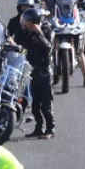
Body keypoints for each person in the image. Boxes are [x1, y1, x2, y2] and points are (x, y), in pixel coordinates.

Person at [16, 8, 55, 139]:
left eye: (26, 21)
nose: (24, 23)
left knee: (46, 102)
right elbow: (20, 42)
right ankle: (39, 127)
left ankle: (50, 128)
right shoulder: (27, 33)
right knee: (35, 104)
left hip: (44, 71)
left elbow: (48, 47)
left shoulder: (47, 31)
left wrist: (39, 34)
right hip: (32, 69)